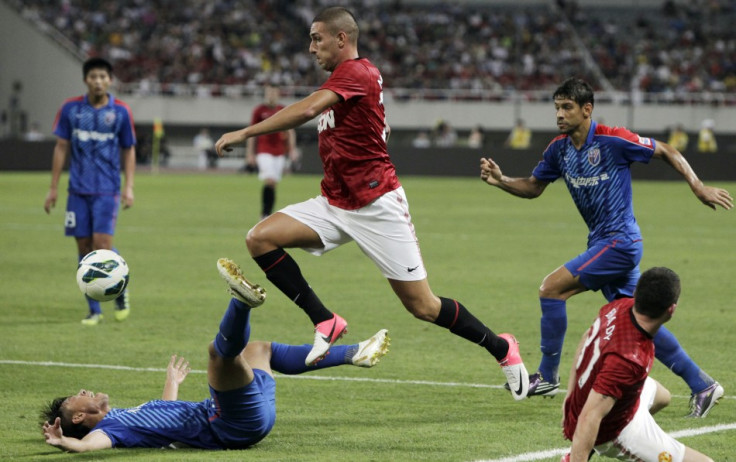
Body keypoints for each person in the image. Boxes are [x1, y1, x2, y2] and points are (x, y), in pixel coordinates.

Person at [215, 6, 529, 400]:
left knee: (423, 306)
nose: (311, 47)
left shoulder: (356, 73)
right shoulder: (349, 80)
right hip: (335, 203)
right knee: (260, 237)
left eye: (317, 38)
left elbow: (309, 108)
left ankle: (502, 348)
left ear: (341, 39)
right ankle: (324, 319)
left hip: (377, 205)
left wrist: (245, 133)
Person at [480, 77, 732, 414]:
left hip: (620, 242)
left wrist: (698, 187)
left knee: (551, 289)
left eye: (567, 107)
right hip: (602, 241)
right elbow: (534, 186)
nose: (559, 114)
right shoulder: (559, 149)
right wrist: (502, 181)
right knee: (639, 319)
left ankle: (549, 375)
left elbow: (667, 150)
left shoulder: (614, 139)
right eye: (556, 107)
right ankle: (703, 385)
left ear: (587, 109)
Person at [40, 258, 390, 453]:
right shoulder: (110, 431)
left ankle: (354, 352)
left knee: (259, 350)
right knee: (219, 355)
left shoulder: (123, 416)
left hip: (245, 417)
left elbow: (166, 422)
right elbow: (90, 448)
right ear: (82, 418)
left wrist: (171, 384)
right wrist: (64, 442)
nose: (84, 391)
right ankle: (241, 302)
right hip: (230, 425)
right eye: (78, 398)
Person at [560, 267, 713, 462]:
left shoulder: (617, 307)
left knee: (662, 396)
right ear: (671, 310)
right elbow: (589, 417)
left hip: (621, 398)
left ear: (635, 294)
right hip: (616, 431)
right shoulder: (629, 360)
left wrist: (570, 396)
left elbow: (585, 340)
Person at [44, 57, 136, 326]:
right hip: (78, 191)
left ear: (110, 80)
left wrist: (129, 186)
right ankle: (94, 310)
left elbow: (128, 149)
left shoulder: (120, 111)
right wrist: (53, 188)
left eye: (103, 77)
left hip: (108, 190)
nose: (98, 81)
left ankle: (120, 288)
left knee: (103, 245)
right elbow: (61, 147)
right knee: (83, 248)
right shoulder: (71, 109)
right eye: (93, 76)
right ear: (86, 79)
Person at [245, 83, 298, 218]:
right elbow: (251, 133)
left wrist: (292, 150)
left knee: (273, 183)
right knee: (270, 180)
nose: (271, 96)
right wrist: (250, 153)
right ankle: (265, 213)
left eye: (273, 93)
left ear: (278, 94)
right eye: (268, 93)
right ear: (265, 95)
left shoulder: (282, 109)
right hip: (264, 151)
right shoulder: (259, 111)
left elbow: (290, 131)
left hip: (279, 152)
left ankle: (267, 213)